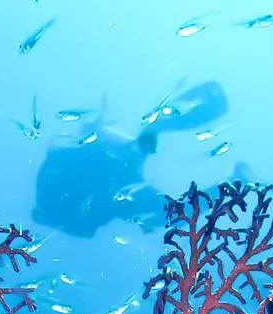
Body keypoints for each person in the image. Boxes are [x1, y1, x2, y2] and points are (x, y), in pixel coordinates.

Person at [32, 81, 228, 238]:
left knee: (171, 213)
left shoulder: (53, 187)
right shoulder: (58, 200)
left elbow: (70, 152)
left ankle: (228, 188)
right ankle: (229, 188)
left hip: (114, 173)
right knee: (171, 214)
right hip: (118, 183)